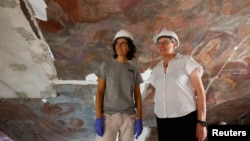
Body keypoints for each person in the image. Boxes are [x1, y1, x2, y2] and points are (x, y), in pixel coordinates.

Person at [148, 29, 207, 141]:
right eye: (159, 44)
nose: (161, 45)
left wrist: (201, 123)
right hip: (162, 120)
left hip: (185, 118)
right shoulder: (156, 70)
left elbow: (200, 93)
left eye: (165, 42)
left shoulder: (186, 62)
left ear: (174, 44)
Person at [94, 29, 143, 141]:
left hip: (129, 118)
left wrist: (139, 119)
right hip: (108, 117)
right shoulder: (106, 66)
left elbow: (138, 96)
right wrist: (98, 117)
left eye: (123, 43)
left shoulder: (134, 69)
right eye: (117, 43)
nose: (119, 46)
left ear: (129, 47)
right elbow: (100, 92)